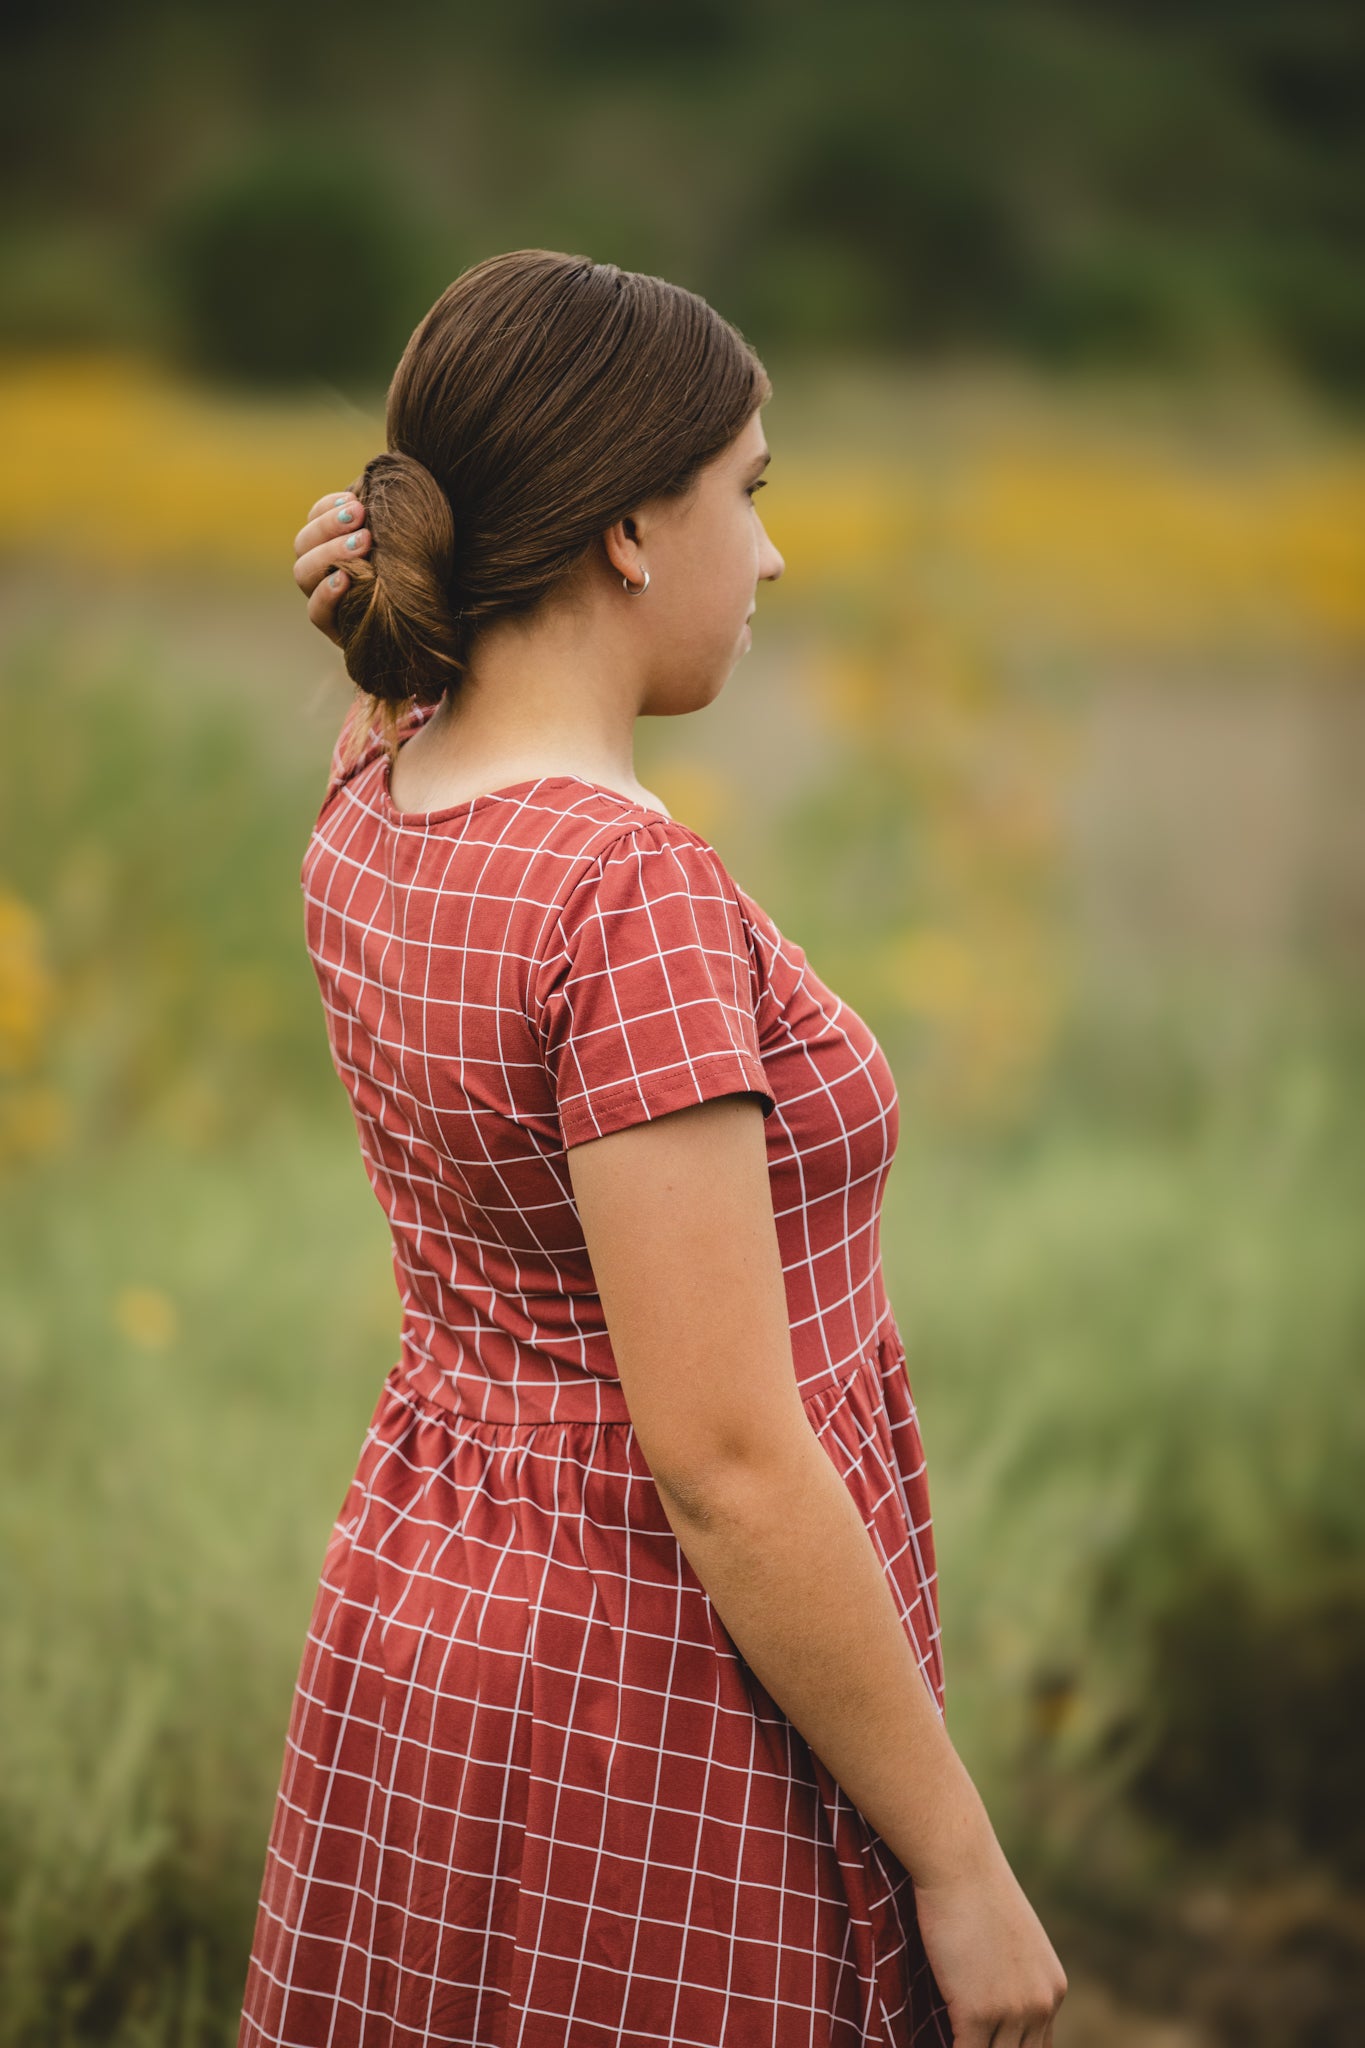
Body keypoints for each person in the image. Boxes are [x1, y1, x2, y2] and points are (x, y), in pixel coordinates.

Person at [240, 249, 1067, 2048]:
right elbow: (723, 1462)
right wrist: (959, 1864)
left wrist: (372, 642)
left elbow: (413, 734)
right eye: (746, 492)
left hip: (428, 1611)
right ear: (627, 529)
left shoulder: (372, 810)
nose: (770, 555)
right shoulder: (628, 892)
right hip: (650, 1673)